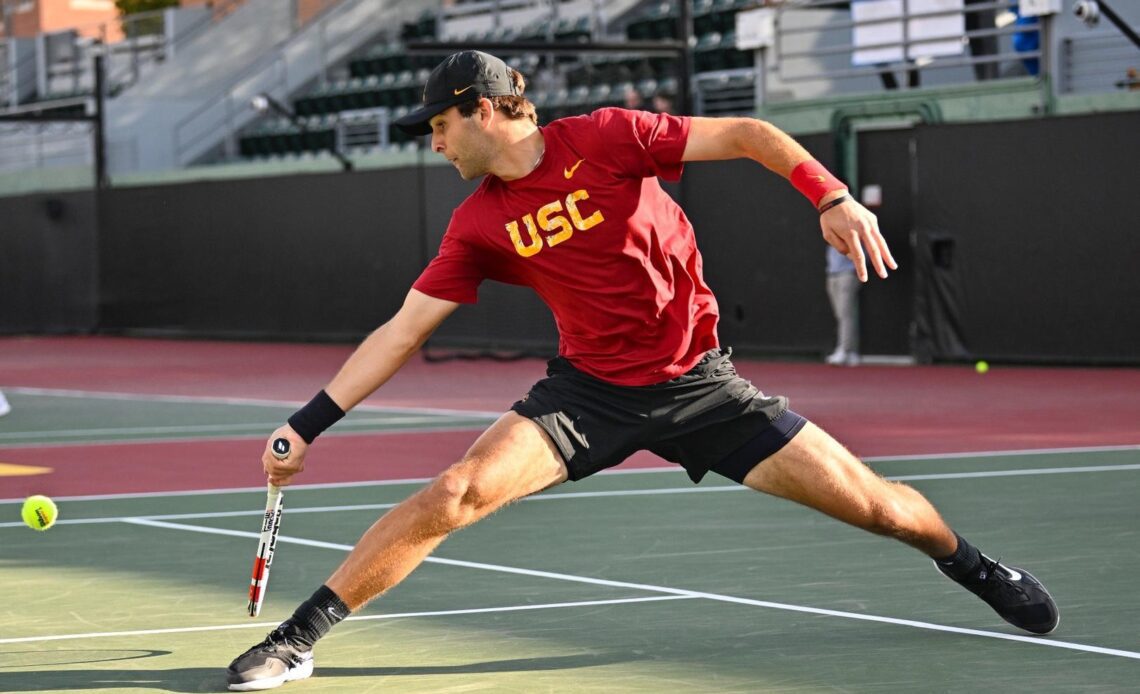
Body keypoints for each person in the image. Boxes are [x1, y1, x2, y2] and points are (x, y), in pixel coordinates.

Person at [225, 50, 1059, 691]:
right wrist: (305, 425)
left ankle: (973, 565)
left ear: (481, 111)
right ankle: (296, 642)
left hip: (702, 387)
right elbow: (403, 330)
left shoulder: (606, 137)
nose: (435, 144)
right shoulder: (478, 223)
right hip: (588, 396)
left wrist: (830, 195)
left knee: (883, 509)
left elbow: (747, 136)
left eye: (438, 126)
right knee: (453, 493)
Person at [825, 245, 860, 366]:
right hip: (832, 273)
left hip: (848, 274)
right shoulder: (832, 230)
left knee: (845, 314)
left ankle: (844, 349)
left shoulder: (856, 231)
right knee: (841, 314)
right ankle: (851, 351)